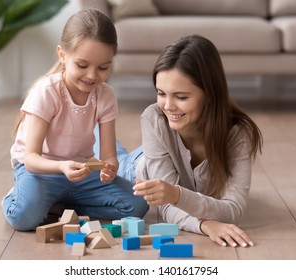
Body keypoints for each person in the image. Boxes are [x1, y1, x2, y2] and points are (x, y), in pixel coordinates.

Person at [105, 35, 263, 247]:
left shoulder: (236, 134)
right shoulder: (154, 118)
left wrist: (176, 195)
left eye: (181, 97)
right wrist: (205, 225)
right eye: (161, 93)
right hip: (135, 168)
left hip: (159, 162)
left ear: (209, 94)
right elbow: (166, 205)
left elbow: (233, 209)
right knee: (103, 154)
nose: (168, 106)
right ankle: (93, 129)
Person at [1, 9, 149, 231]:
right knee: (23, 218)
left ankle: (60, 205)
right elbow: (30, 158)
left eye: (103, 68)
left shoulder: (106, 95)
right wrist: (61, 166)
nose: (92, 76)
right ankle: (17, 197)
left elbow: (108, 154)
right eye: (82, 65)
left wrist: (109, 167)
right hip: (42, 170)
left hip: (81, 172)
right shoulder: (47, 92)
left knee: (137, 205)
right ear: (62, 55)